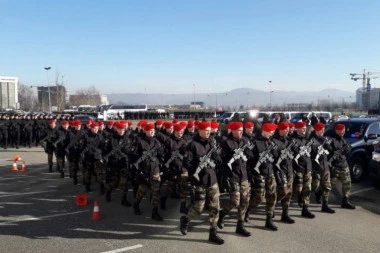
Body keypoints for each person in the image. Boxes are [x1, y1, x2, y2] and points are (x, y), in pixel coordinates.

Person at [179, 121, 224, 245]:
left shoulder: (211, 143)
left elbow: (219, 161)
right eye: (206, 130)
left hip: (212, 180)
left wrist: (217, 157)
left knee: (215, 208)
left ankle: (213, 233)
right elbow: (186, 163)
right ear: (199, 131)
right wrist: (197, 167)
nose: (208, 132)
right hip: (200, 181)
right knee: (199, 208)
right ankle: (185, 220)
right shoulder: (192, 145)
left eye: (209, 130)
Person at [217, 121, 253, 237]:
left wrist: (248, 153)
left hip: (244, 176)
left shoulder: (245, 141)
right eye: (238, 130)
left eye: (242, 130)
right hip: (233, 176)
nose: (241, 132)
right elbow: (220, 161)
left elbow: (251, 156)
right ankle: (222, 214)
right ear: (232, 131)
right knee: (235, 201)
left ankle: (240, 226)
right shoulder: (226, 143)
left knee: (245, 202)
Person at [245, 122, 279, 231]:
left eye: (273, 132)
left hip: (270, 172)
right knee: (259, 197)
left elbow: (275, 157)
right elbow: (248, 157)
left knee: (272, 196)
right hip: (259, 173)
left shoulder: (272, 142)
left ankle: (269, 220)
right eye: (270, 131)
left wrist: (275, 152)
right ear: (264, 131)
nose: (272, 133)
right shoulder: (254, 142)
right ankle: (247, 209)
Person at [132, 123, 165, 221]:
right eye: (150, 130)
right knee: (141, 191)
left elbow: (161, 155)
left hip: (155, 170)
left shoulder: (156, 142)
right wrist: (139, 166)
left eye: (153, 130)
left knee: (155, 193)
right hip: (144, 171)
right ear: (145, 131)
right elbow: (133, 156)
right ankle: (136, 204)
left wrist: (160, 151)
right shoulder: (140, 142)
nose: (152, 132)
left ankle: (154, 212)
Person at [103, 121, 133, 207]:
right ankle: (108, 192)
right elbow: (106, 150)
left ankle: (123, 200)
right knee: (114, 182)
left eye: (123, 129)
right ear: (116, 129)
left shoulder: (127, 139)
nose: (121, 131)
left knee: (124, 183)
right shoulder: (111, 138)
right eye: (120, 129)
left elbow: (129, 151)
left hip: (123, 164)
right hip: (114, 164)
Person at [161, 123, 188, 213]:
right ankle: (163, 200)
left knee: (183, 188)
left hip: (182, 168)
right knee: (170, 187)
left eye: (182, 131)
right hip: (173, 168)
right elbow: (165, 154)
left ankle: (183, 206)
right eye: (179, 131)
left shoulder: (184, 141)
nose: (181, 132)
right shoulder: (169, 141)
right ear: (175, 131)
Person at [327, 123, 355, 209]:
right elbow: (328, 153)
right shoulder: (331, 140)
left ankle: (345, 201)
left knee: (347, 184)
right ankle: (321, 198)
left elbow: (346, 153)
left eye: (343, 130)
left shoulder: (343, 140)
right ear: (336, 131)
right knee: (329, 185)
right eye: (341, 130)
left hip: (344, 165)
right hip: (335, 166)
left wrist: (348, 149)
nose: (343, 131)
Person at [272, 122, 296, 223]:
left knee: (289, 193)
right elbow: (273, 156)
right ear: (280, 130)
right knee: (282, 191)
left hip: (289, 169)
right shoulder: (274, 141)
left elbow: (294, 155)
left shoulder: (289, 140)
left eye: (288, 129)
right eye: (285, 129)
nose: (287, 130)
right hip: (279, 169)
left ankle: (285, 214)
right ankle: (271, 206)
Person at [309, 123, 335, 213]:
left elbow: (331, 151)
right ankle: (304, 200)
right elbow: (309, 154)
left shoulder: (325, 139)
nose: (322, 131)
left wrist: (329, 147)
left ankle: (325, 205)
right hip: (316, 167)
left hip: (325, 167)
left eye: (323, 129)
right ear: (316, 130)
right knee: (314, 186)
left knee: (327, 187)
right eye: (320, 129)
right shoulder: (311, 140)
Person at [291, 121, 315, 219]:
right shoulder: (292, 141)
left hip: (307, 169)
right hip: (298, 170)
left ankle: (305, 209)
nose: (304, 129)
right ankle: (285, 208)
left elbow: (311, 155)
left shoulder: (307, 141)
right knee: (296, 190)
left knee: (307, 189)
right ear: (297, 129)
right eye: (302, 128)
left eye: (305, 128)